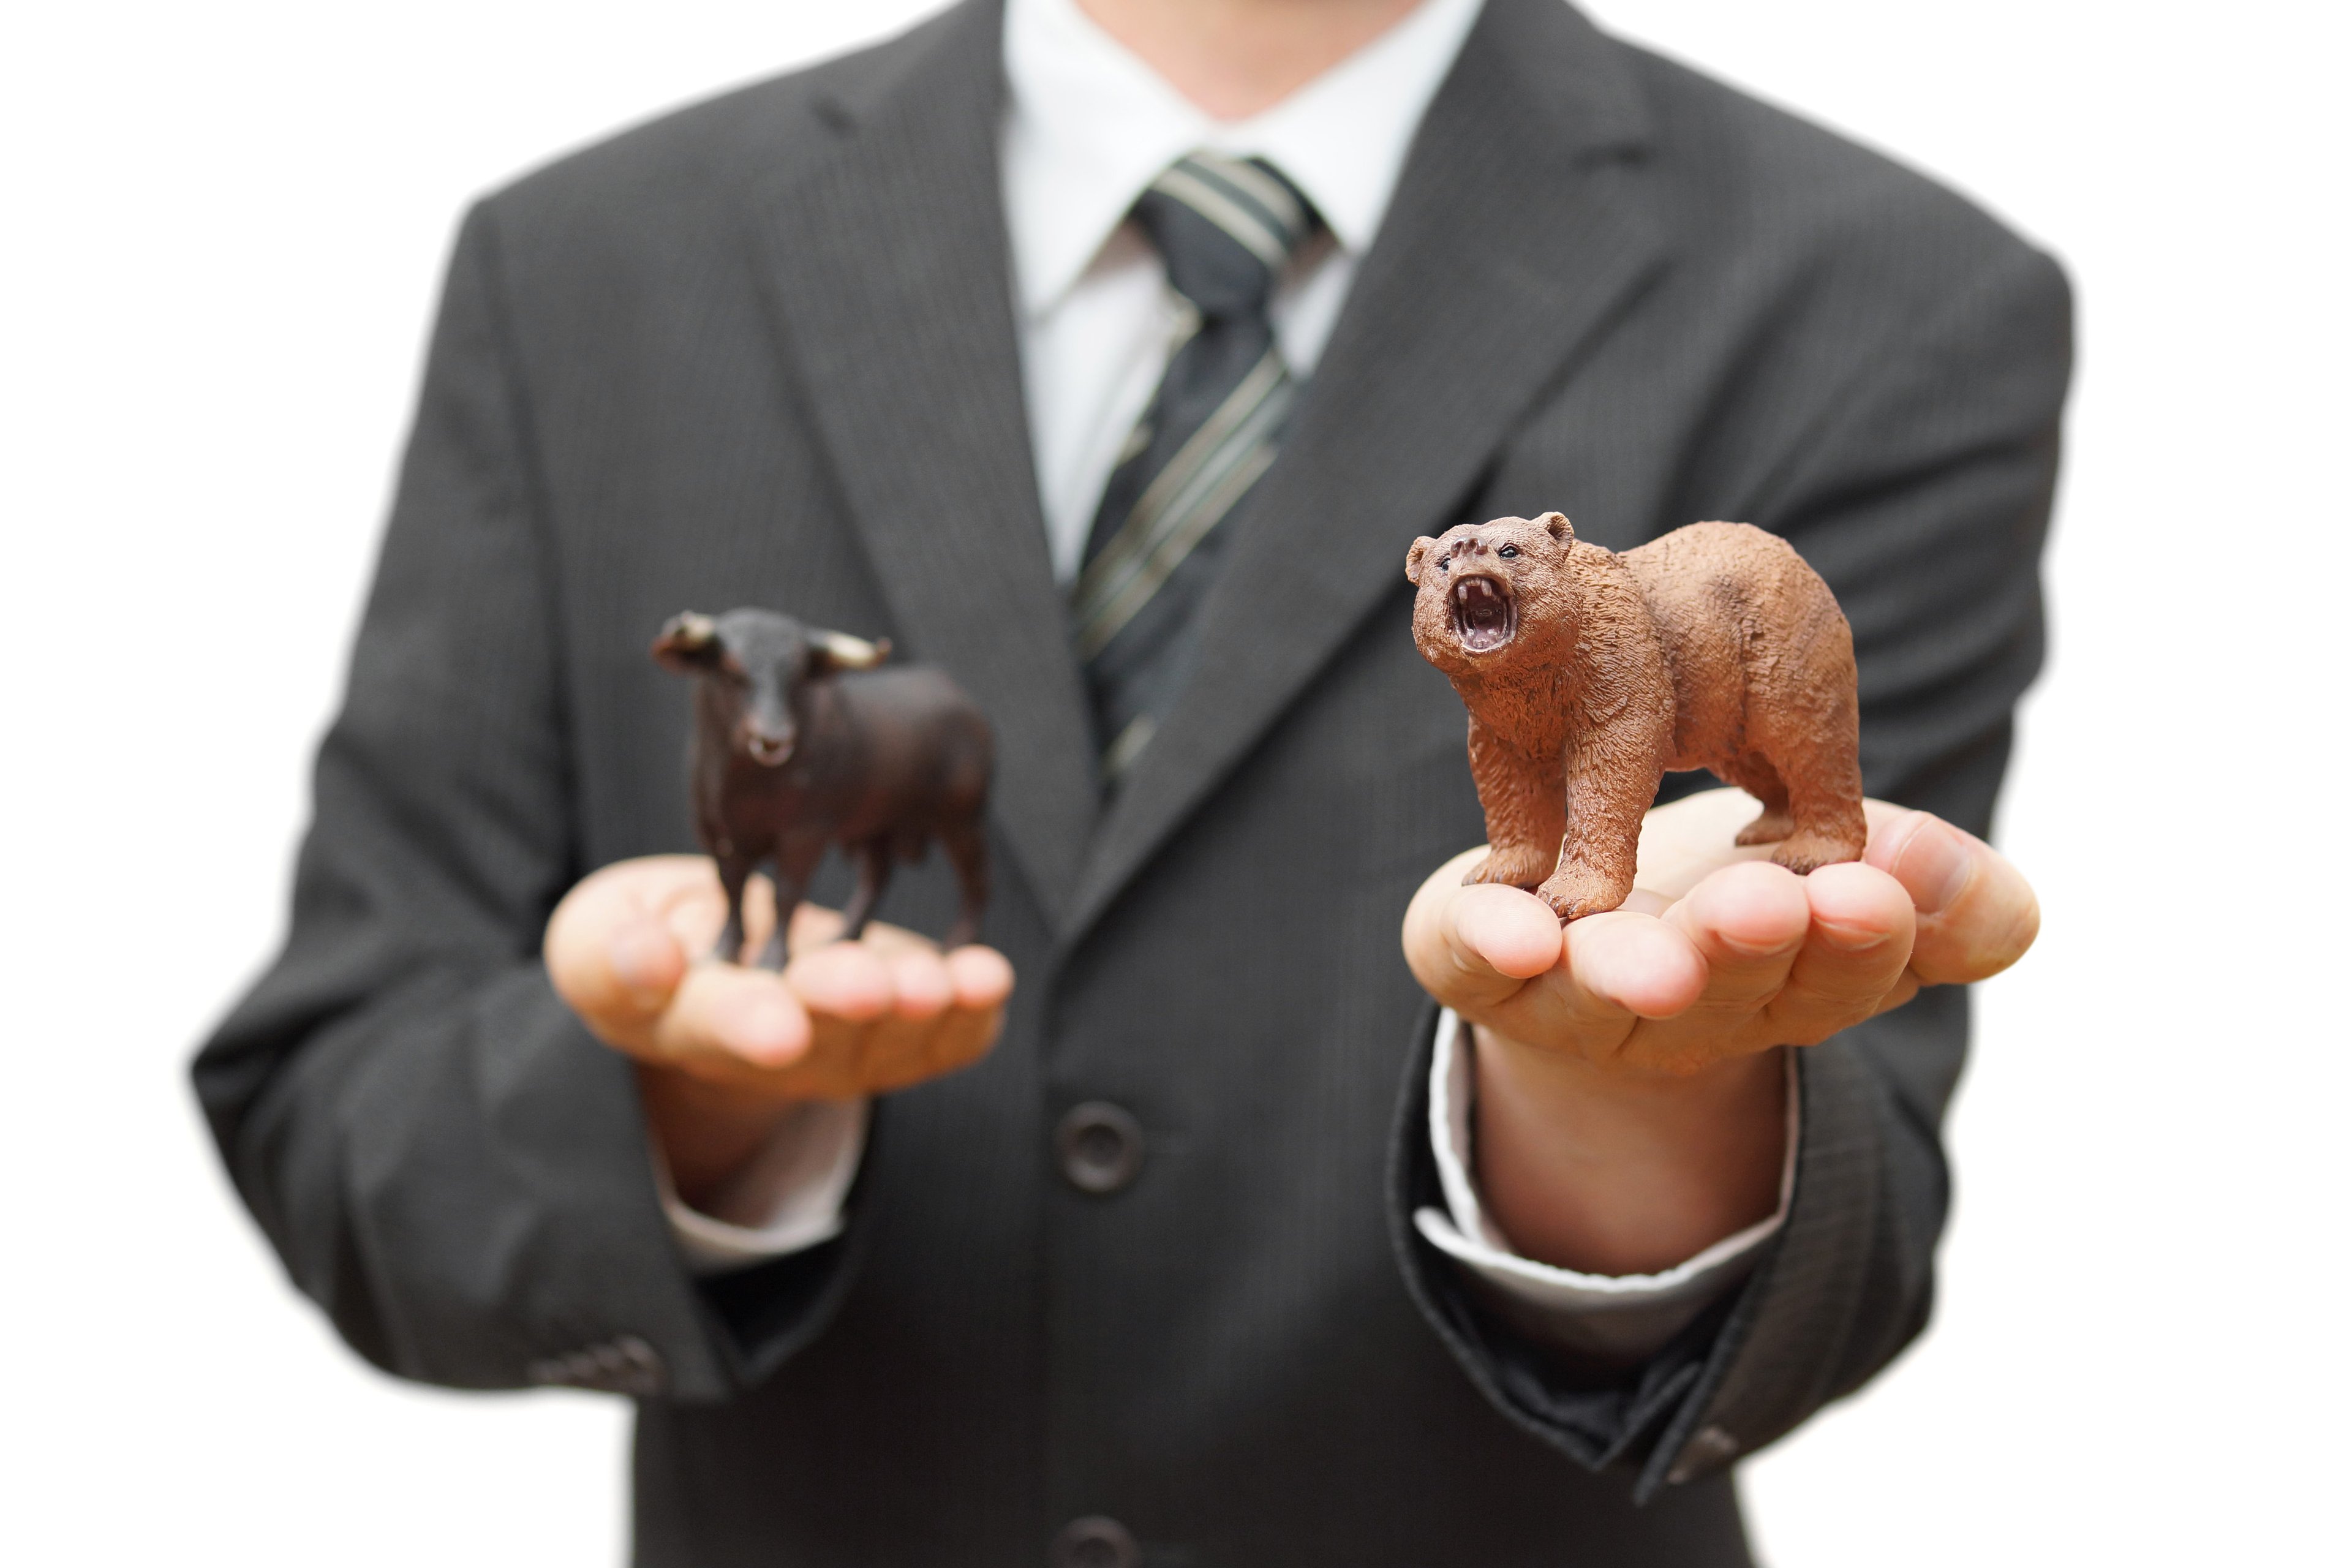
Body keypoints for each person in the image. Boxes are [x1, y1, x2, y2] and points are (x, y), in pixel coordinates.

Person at [193, 0, 2062, 1561]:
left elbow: (1851, 1242)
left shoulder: (1888, 299)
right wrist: (684, 1110)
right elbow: (338, 1113)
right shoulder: (587, 278)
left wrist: (1611, 1111)